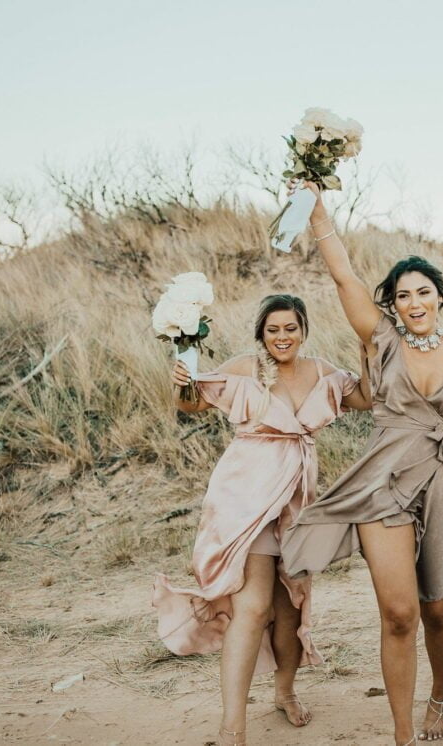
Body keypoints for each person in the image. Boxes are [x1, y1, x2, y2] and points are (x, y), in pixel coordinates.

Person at [280, 183, 443, 745]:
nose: (414, 304)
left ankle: (439, 694)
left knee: (437, 608)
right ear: (392, 304)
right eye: (403, 296)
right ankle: (402, 734)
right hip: (382, 481)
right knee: (399, 614)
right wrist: (317, 210)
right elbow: (344, 276)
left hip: (441, 480)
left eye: (423, 293)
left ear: (440, 297)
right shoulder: (383, 339)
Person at [152, 294, 370, 746]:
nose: (282, 337)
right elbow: (191, 404)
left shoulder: (321, 371)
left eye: (290, 328)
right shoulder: (244, 368)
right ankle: (232, 726)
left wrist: (370, 347)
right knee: (252, 607)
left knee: (290, 609)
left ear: (303, 331)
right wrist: (181, 382)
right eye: (273, 330)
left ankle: (285, 691)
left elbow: (366, 398)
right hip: (246, 498)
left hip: (295, 503)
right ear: (261, 334)